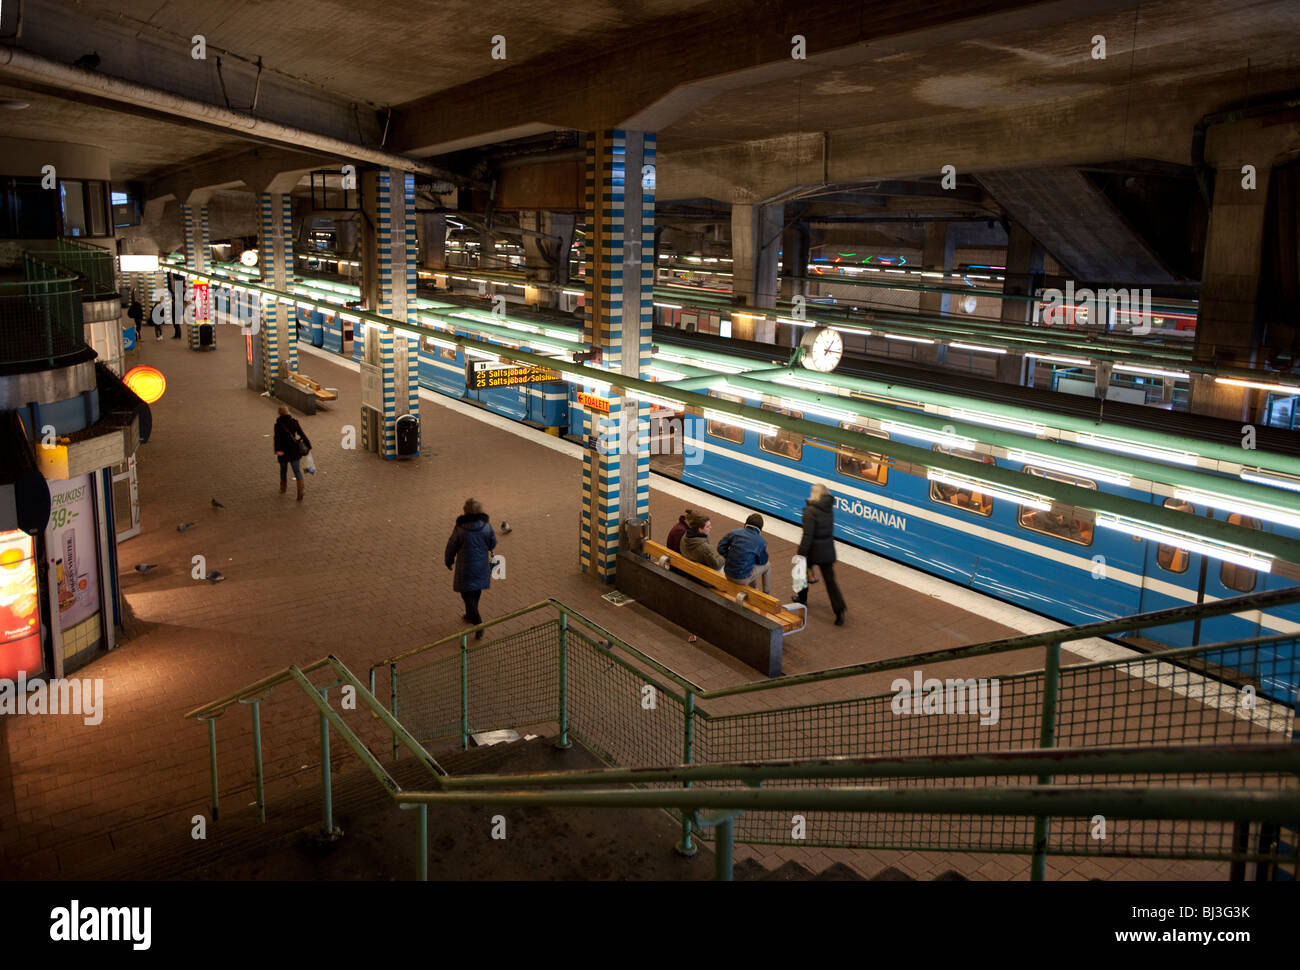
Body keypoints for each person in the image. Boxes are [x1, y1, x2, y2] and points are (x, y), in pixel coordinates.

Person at [445, 498, 497, 640]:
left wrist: (448, 560)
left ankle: (478, 622)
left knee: (466, 594)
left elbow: (452, 545)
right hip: (481, 565)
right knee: (476, 590)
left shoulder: (461, 528)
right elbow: (493, 542)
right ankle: (469, 614)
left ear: (466, 511)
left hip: (465, 567)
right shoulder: (486, 526)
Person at [795, 483, 846, 626]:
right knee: (831, 582)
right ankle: (839, 611)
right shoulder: (828, 509)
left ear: (815, 494)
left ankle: (802, 599)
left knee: (802, 573)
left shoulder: (810, 511)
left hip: (812, 551)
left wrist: (801, 553)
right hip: (827, 550)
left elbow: (807, 535)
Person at [718, 513, 770, 593]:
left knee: (751, 563)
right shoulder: (761, 542)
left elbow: (720, 547)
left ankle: (753, 588)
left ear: (745, 524)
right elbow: (763, 561)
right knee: (768, 565)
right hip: (741, 579)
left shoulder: (735, 532)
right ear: (760, 529)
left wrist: (729, 556)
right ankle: (766, 594)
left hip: (727, 573)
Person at [272, 405, 311, 500]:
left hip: (283, 451)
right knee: (297, 471)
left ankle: (283, 487)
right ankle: (300, 491)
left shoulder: (278, 425)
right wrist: (308, 445)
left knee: (283, 470)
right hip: (294, 451)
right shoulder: (294, 422)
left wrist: (277, 450)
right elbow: (302, 434)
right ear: (288, 412)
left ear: (279, 413)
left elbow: (277, 439)